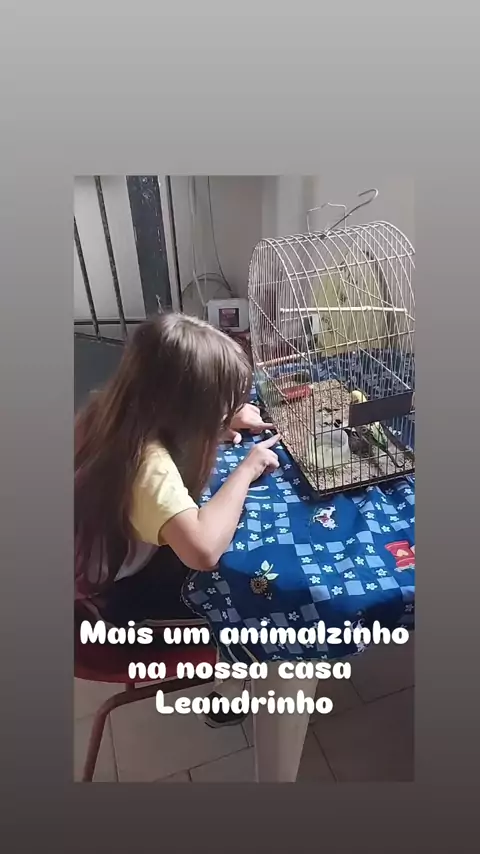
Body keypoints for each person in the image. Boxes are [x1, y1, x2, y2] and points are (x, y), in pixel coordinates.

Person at [75, 312, 279, 727]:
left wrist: (219, 421)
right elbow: (202, 551)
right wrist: (247, 469)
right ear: (188, 410)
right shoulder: (148, 467)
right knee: (259, 601)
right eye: (219, 405)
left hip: (97, 575)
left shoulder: (108, 411)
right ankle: (230, 692)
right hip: (110, 611)